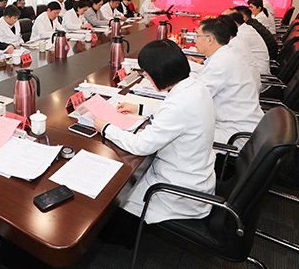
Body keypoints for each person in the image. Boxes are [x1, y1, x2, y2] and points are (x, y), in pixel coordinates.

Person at [93, 40, 216, 224]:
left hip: (178, 192)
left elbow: (141, 145)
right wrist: (139, 108)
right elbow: (171, 111)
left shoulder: (178, 105)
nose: (148, 80)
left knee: (111, 198)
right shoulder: (195, 86)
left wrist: (106, 128)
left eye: (148, 74)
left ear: (160, 72)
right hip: (194, 175)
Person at [189, 18, 263, 145]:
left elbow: (195, 98)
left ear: (210, 39)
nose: (195, 40)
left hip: (236, 135)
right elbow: (205, 79)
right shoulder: (228, 53)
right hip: (241, 125)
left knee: (183, 130)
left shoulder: (221, 63)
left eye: (197, 36)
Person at [218, 15, 261, 93]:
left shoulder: (233, 45)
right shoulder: (237, 40)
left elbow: (218, 70)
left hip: (246, 90)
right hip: (249, 84)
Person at [224, 9, 270, 77]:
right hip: (253, 70)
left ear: (234, 23)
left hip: (258, 75)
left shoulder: (242, 35)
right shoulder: (246, 28)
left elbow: (226, 56)